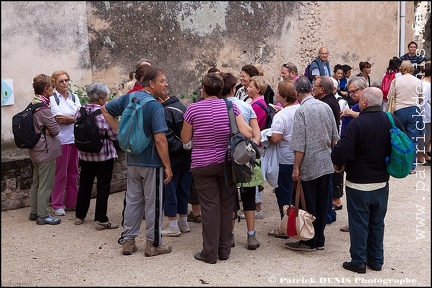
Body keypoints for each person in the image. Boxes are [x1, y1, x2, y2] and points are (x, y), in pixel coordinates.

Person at [331, 87, 406, 273]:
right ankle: (376, 260)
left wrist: (337, 157)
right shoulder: (391, 120)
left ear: (364, 102)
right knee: (377, 222)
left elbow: (342, 152)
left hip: (358, 182)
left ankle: (358, 261)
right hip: (382, 181)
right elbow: (402, 142)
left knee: (358, 223)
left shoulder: (357, 125)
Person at [101, 66, 173, 257]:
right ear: (151, 83)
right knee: (154, 203)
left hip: (132, 159)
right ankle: (153, 244)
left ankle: (129, 241)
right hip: (152, 162)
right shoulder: (155, 106)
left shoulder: (129, 98)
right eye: (162, 81)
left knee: (132, 200)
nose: (166, 84)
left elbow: (105, 109)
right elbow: (160, 139)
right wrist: (167, 165)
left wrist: (120, 133)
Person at [181, 72, 252, 264]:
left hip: (202, 163)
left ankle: (209, 253)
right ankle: (224, 250)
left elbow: (185, 139)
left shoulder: (192, 109)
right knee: (226, 205)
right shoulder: (231, 106)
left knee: (209, 208)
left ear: (203, 89)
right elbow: (247, 132)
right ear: (221, 89)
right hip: (227, 162)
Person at [285, 76, 339, 252]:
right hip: (325, 161)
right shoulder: (325, 106)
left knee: (309, 202)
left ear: (296, 92)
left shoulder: (302, 111)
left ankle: (310, 239)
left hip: (309, 163)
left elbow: (299, 144)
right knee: (323, 202)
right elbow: (334, 137)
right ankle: (319, 238)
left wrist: (295, 167)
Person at [221, 72, 261, 250]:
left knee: (229, 196)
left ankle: (229, 235)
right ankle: (251, 235)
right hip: (244, 154)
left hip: (224, 155)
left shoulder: (216, 106)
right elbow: (256, 132)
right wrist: (252, 148)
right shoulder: (245, 106)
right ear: (233, 88)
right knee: (249, 194)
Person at [74, 82, 119, 230]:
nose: (106, 99)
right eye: (105, 96)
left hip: (84, 154)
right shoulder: (104, 113)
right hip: (103, 154)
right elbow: (114, 134)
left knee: (85, 184)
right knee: (103, 186)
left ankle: (79, 215)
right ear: (100, 98)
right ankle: (101, 219)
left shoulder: (80, 111)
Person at [266, 79, 300, 238]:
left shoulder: (282, 115)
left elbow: (276, 138)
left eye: (279, 92)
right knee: (297, 193)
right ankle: (297, 225)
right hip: (300, 157)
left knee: (284, 194)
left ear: (284, 96)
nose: (276, 94)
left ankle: (285, 227)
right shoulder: (301, 109)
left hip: (285, 158)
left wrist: (269, 135)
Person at [28, 74, 62, 225]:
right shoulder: (43, 108)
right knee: (46, 185)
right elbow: (55, 130)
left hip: (35, 150)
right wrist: (50, 126)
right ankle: (43, 215)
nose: (53, 90)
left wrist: (49, 127)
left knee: (36, 182)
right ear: (45, 89)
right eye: (52, 87)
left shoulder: (32, 104)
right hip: (45, 150)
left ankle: (34, 212)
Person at [158, 91, 192, 237]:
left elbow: (167, 138)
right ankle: (183, 222)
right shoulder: (183, 107)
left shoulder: (165, 112)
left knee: (170, 189)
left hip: (174, 157)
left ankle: (173, 224)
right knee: (184, 188)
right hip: (188, 155)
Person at [337, 77, 368, 233]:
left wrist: (351, 113)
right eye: (349, 92)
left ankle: (359, 222)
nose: (351, 94)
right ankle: (354, 221)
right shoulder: (355, 106)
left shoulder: (365, 107)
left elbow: (370, 119)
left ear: (364, 90)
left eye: (354, 91)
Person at [50, 70, 82, 216]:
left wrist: (73, 119)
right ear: (54, 83)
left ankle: (72, 202)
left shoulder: (74, 97)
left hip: (74, 139)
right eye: (61, 81)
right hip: (61, 141)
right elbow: (58, 117)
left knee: (74, 172)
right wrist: (74, 117)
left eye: (66, 80)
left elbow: (80, 115)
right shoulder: (52, 98)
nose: (64, 83)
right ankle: (57, 204)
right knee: (60, 174)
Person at [312, 76, 341, 225]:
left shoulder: (326, 104)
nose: (313, 88)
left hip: (326, 148)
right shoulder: (329, 101)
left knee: (326, 185)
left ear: (322, 89)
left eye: (315, 86)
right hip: (329, 146)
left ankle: (327, 214)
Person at [387, 60, 423, 173]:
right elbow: (420, 98)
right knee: (413, 139)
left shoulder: (396, 80)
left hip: (400, 110)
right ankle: (411, 166)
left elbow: (390, 96)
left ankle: (399, 163)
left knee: (399, 137)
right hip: (414, 109)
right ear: (412, 68)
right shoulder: (418, 81)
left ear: (401, 68)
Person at [243, 75, 268, 218]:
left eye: (251, 86)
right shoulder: (258, 103)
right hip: (257, 143)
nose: (247, 88)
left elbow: (252, 127)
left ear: (258, 89)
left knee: (254, 174)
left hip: (254, 143)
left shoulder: (256, 106)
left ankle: (256, 207)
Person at [417, 61, 431, 165]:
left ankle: (424, 153)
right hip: (425, 113)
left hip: (425, 112)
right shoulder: (426, 85)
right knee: (424, 135)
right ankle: (420, 156)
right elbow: (423, 100)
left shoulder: (423, 82)